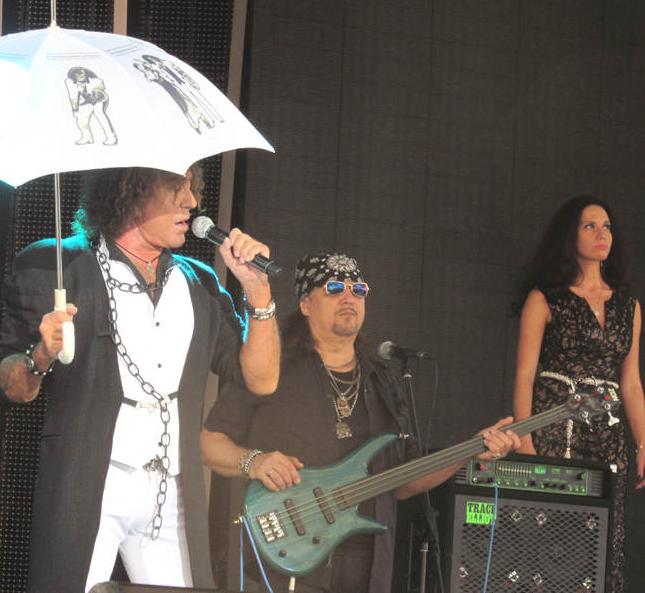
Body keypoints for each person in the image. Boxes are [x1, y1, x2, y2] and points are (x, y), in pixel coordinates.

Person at [0, 163, 280, 593]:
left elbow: (262, 379)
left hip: (172, 488)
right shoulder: (57, 265)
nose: (192, 202)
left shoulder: (198, 283)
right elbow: (10, 385)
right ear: (129, 191)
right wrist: (41, 355)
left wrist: (257, 291)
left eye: (192, 188)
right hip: (91, 482)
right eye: (175, 188)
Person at [201, 253, 519, 593]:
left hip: (368, 571)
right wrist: (254, 461)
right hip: (287, 563)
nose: (349, 297)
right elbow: (207, 443)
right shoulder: (269, 366)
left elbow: (404, 480)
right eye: (334, 288)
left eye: (359, 289)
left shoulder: (383, 380)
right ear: (306, 304)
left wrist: (470, 451)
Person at [512, 196, 645, 593]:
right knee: (551, 535)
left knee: (601, 538)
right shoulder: (545, 298)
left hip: (608, 436)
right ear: (570, 236)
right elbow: (524, 376)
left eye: (606, 226)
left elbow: (631, 383)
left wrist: (643, 443)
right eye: (590, 226)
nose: (602, 234)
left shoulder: (629, 306)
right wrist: (525, 441)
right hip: (555, 427)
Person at [64, 66, 118, 146]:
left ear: (86, 74)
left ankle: (111, 137)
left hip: (99, 99)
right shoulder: (69, 81)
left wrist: (83, 91)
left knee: (99, 114)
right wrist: (75, 110)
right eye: (77, 74)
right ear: (74, 75)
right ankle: (87, 138)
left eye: (81, 73)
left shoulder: (97, 81)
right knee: (81, 121)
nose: (79, 75)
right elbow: (73, 96)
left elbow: (97, 97)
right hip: (85, 100)